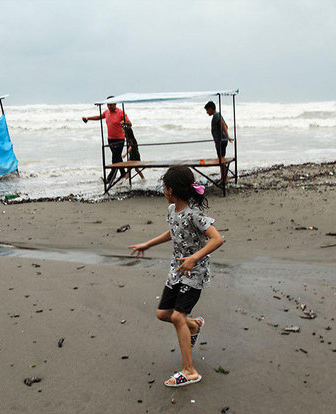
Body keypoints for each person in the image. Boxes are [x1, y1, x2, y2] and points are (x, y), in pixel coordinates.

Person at [128, 166, 224, 387]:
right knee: (163, 313)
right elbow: (173, 231)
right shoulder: (173, 210)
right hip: (176, 271)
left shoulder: (194, 215)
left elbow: (217, 239)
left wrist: (194, 258)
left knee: (177, 317)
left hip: (194, 272)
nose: (163, 191)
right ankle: (194, 325)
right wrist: (148, 243)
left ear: (170, 190)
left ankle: (189, 371)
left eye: (164, 187)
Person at [82, 97, 131, 184]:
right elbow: (99, 117)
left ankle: (109, 179)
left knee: (115, 159)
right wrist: (88, 118)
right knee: (117, 158)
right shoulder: (106, 112)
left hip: (119, 139)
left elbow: (129, 123)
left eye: (111, 104)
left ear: (115, 104)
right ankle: (123, 173)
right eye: (108, 104)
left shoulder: (120, 113)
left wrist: (124, 122)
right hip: (110, 139)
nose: (109, 106)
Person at [204, 101, 234, 184]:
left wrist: (227, 136)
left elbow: (224, 125)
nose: (207, 112)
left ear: (210, 108)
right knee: (221, 159)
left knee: (221, 160)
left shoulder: (216, 116)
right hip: (220, 141)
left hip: (221, 141)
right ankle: (223, 177)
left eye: (207, 110)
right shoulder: (217, 115)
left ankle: (225, 179)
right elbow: (225, 125)